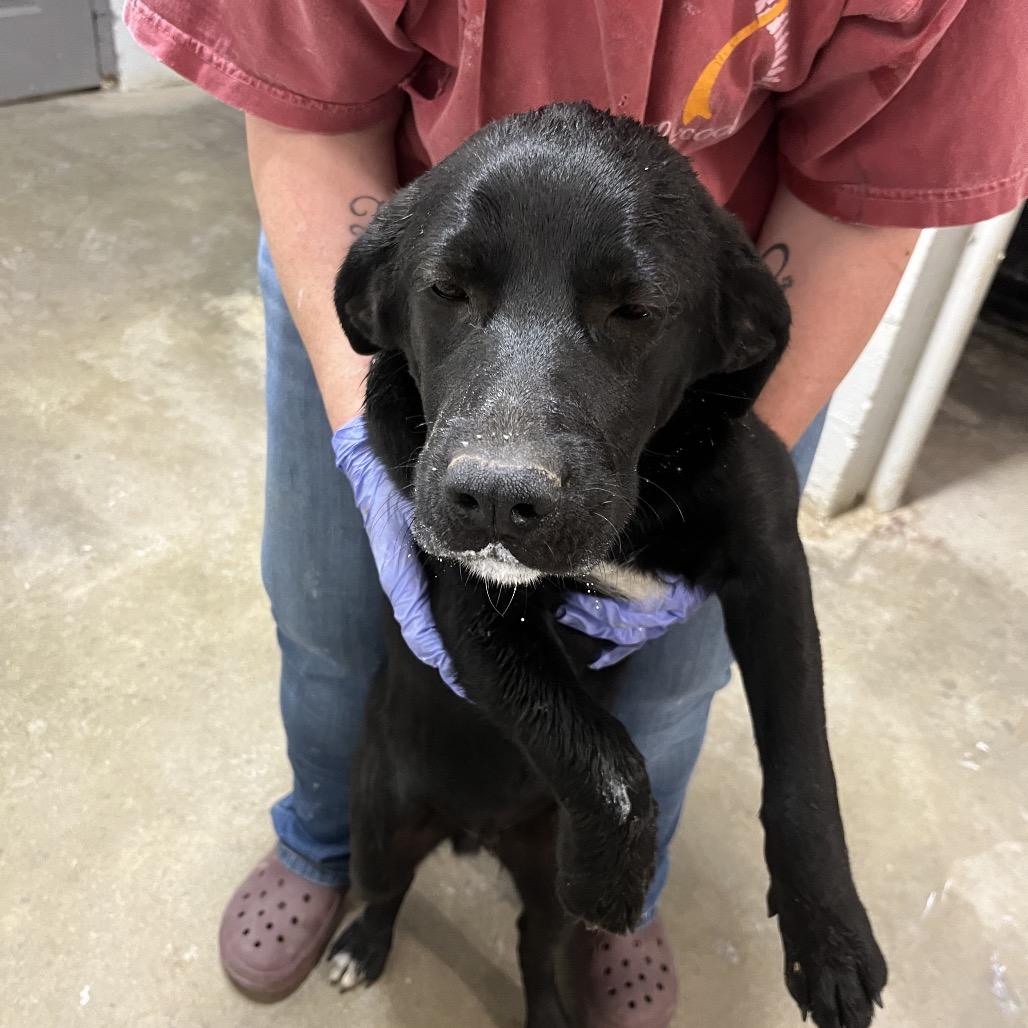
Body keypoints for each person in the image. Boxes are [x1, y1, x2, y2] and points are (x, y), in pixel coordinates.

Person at [126, 1, 1027, 1022]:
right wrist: (361, 420)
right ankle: (321, 841)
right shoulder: (391, 284)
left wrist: (736, 454)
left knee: (675, 681)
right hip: (408, 248)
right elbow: (307, 106)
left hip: (695, 315)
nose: (503, 474)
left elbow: (869, 191)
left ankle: (616, 896)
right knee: (328, 613)